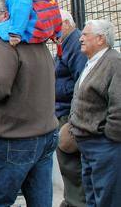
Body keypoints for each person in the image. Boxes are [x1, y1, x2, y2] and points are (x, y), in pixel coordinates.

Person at [0, 0, 59, 207]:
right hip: (45, 136)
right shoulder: (39, 43)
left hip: (14, 141)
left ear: (6, 14)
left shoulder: (6, 46)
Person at [68, 19, 120, 207]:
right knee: (92, 196)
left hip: (103, 145)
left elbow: (118, 105)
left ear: (100, 39)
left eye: (85, 34)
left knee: (107, 198)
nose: (80, 38)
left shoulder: (114, 62)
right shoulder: (93, 62)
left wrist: (109, 137)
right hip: (88, 144)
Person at [54, 10, 87, 207]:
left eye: (54, 25)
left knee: (72, 163)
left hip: (69, 114)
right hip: (64, 111)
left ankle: (76, 202)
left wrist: (73, 118)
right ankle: (72, 200)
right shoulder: (65, 43)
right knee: (68, 164)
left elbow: (81, 80)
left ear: (65, 23)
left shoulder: (74, 43)